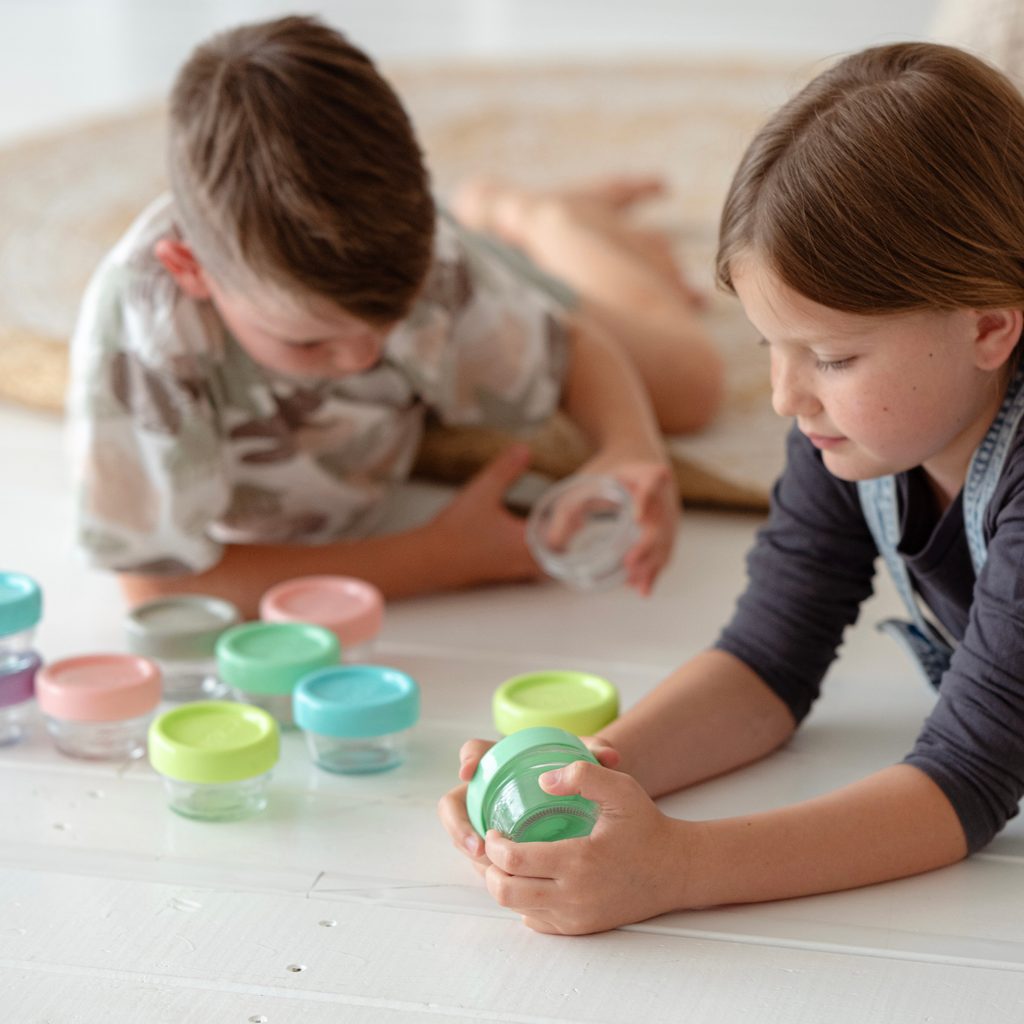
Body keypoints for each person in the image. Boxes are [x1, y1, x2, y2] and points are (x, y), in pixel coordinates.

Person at [439, 41, 1024, 935]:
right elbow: (766, 662)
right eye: (769, 346)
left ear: (987, 328)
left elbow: (967, 780)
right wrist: (576, 775)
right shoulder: (852, 432)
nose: (787, 398)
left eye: (831, 356)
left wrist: (676, 867)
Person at [67, 15, 723, 617]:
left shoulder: (425, 260)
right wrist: (437, 558)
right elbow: (159, 588)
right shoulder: (142, 338)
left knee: (689, 386)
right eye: (310, 343)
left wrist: (630, 446)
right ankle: (524, 215)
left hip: (455, 267)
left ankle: (537, 219)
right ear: (191, 271)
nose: (362, 357)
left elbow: (577, 348)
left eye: (391, 318)